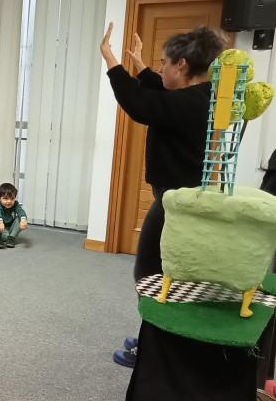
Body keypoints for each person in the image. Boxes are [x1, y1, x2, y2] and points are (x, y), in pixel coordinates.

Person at [100, 24, 225, 368]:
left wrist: (111, 59)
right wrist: (141, 65)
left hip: (175, 204)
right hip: (178, 200)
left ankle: (154, 349)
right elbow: (160, 93)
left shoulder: (187, 103)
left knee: (149, 274)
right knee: (162, 275)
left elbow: (142, 103)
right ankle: (152, 339)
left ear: (181, 65)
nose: (161, 68)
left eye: (164, 62)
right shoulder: (200, 96)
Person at [0, 183, 28, 249]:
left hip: (10, 232)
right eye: (5, 198)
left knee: (21, 217)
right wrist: (0, 221)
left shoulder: (16, 204)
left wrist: (23, 219)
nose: (9, 201)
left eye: (12, 198)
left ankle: (11, 238)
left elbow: (20, 211)